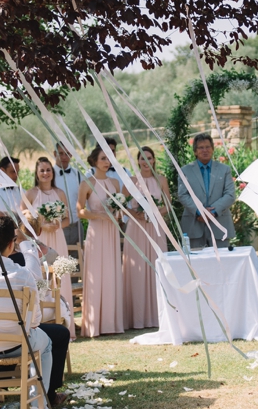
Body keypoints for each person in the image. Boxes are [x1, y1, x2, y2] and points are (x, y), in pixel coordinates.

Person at [0, 211, 69, 409]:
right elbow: (35, 320)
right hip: (18, 343)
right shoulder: (23, 275)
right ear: (11, 244)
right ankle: (37, 406)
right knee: (47, 342)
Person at [78, 146, 126, 337]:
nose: (107, 162)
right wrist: (99, 214)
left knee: (112, 272)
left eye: (109, 158)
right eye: (103, 158)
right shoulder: (87, 183)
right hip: (96, 232)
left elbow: (120, 210)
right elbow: (80, 211)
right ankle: (94, 323)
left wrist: (117, 213)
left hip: (112, 231)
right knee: (96, 273)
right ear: (94, 161)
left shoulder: (115, 183)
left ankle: (112, 323)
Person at [123, 146, 171, 330]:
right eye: (142, 158)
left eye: (149, 158)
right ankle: (137, 318)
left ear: (154, 160)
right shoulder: (132, 181)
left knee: (157, 267)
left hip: (156, 228)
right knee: (138, 271)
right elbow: (121, 202)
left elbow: (168, 204)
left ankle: (158, 316)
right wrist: (137, 215)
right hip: (136, 229)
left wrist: (156, 214)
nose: (145, 161)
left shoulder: (161, 180)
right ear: (138, 160)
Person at [175, 133, 237, 250]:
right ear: (195, 151)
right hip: (194, 226)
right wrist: (200, 212)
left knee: (222, 265)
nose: (205, 150)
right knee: (196, 266)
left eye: (208, 147)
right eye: (201, 147)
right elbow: (183, 195)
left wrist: (211, 213)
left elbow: (230, 195)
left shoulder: (224, 170)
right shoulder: (185, 171)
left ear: (212, 149)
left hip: (220, 226)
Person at [22, 156, 71, 262]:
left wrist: (58, 225)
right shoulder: (30, 194)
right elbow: (23, 220)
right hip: (39, 238)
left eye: (48, 170)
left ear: (52, 172)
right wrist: (43, 226)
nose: (45, 173)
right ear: (37, 174)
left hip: (58, 236)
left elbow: (67, 219)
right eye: (42, 170)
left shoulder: (60, 193)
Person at [53, 143, 85, 248]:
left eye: (67, 154)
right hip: (58, 228)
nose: (64, 157)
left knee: (78, 260)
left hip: (77, 227)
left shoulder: (78, 175)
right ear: (54, 154)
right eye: (60, 153)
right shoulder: (49, 175)